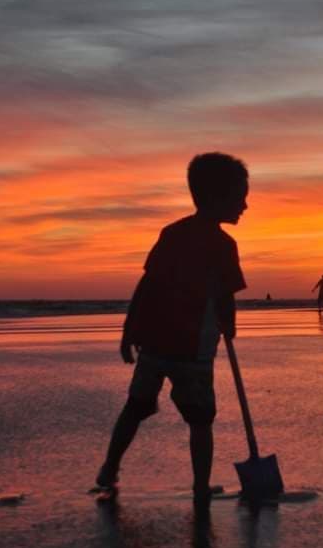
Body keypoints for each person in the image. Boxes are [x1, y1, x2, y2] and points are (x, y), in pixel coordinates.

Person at [96, 152, 249, 503]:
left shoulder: (173, 234)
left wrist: (129, 331)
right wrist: (229, 325)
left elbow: (146, 286)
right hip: (194, 350)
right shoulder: (224, 246)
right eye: (239, 197)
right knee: (201, 419)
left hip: (154, 344)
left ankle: (109, 468)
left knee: (135, 407)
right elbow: (225, 296)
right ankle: (200, 487)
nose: (245, 205)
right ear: (216, 197)